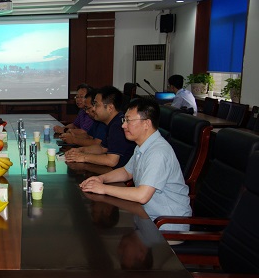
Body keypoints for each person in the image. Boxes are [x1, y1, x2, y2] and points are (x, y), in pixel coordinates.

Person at [79, 97, 191, 230]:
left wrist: (103, 188)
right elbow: (126, 172)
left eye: (128, 120)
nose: (123, 125)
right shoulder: (142, 145)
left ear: (146, 123)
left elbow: (142, 196)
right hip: (146, 216)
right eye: (124, 120)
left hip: (166, 225)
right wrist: (101, 179)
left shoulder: (158, 152)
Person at [65, 86, 135, 168]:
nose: (93, 109)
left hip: (121, 172)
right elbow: (102, 148)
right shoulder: (112, 122)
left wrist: (83, 157)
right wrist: (80, 150)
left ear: (110, 108)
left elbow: (111, 161)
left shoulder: (118, 125)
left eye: (96, 105)